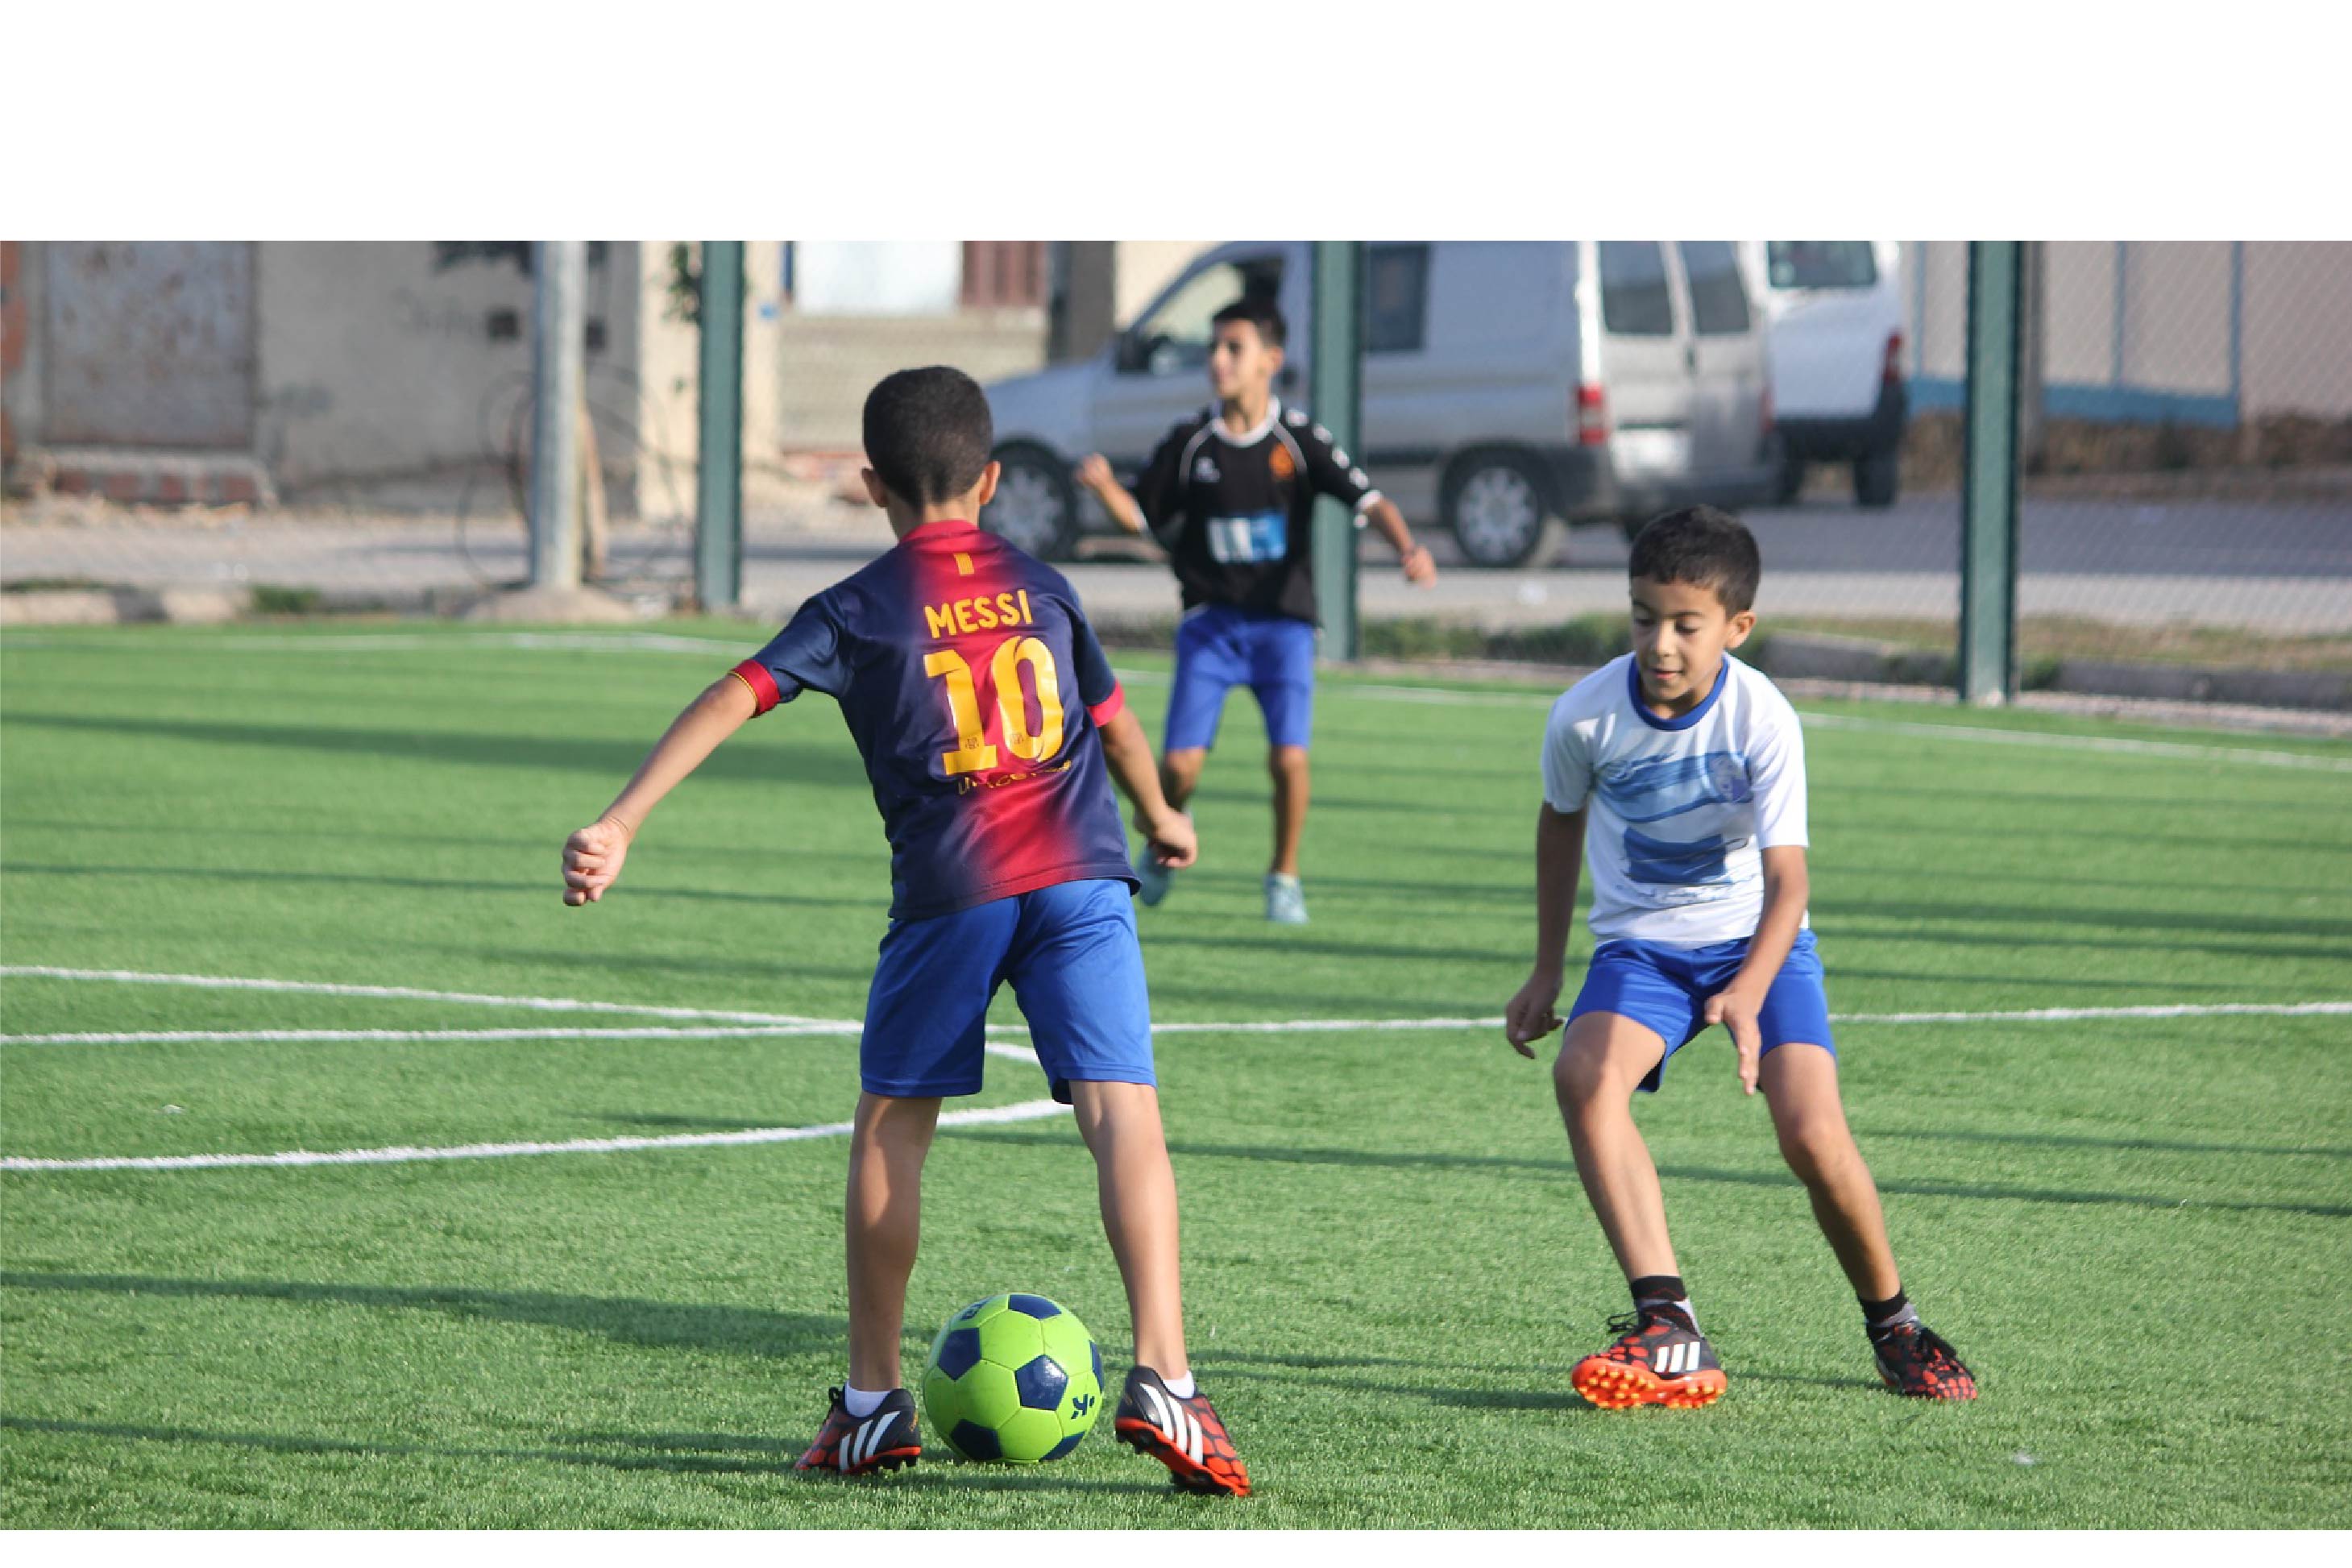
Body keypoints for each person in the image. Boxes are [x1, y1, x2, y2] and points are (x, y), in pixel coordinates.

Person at [560, 367, 1251, 1495]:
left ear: (872, 482)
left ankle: (874, 1404)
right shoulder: (1041, 583)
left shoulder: (861, 603)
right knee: (1121, 1111)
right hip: (1083, 878)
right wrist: (1164, 815)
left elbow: (735, 693)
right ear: (989, 480)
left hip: (955, 888)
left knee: (894, 1126)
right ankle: (1166, 1375)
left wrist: (623, 818)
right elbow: (1115, 723)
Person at [1500, 505, 1977, 1408]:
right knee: (1583, 1078)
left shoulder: (1764, 715)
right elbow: (1559, 822)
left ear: (1738, 626)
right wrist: (1546, 966)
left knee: (1810, 1133)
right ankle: (1668, 1322)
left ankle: (1895, 1323)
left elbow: (1788, 882)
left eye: (1687, 623)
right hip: (1643, 945)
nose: (1662, 642)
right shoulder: (1585, 716)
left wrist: (1750, 989)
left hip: (1763, 942)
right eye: (1645, 616)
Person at [1075, 297, 1437, 925]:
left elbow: (1368, 499)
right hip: (1210, 627)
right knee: (1179, 767)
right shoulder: (1190, 443)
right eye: (1213, 348)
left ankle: (1283, 877)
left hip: (1283, 626)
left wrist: (1407, 547)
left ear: (1270, 359)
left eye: (1233, 348)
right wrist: (1109, 490)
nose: (1217, 360)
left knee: (1288, 758)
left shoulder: (1297, 441)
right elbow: (1142, 518)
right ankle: (1165, 840)